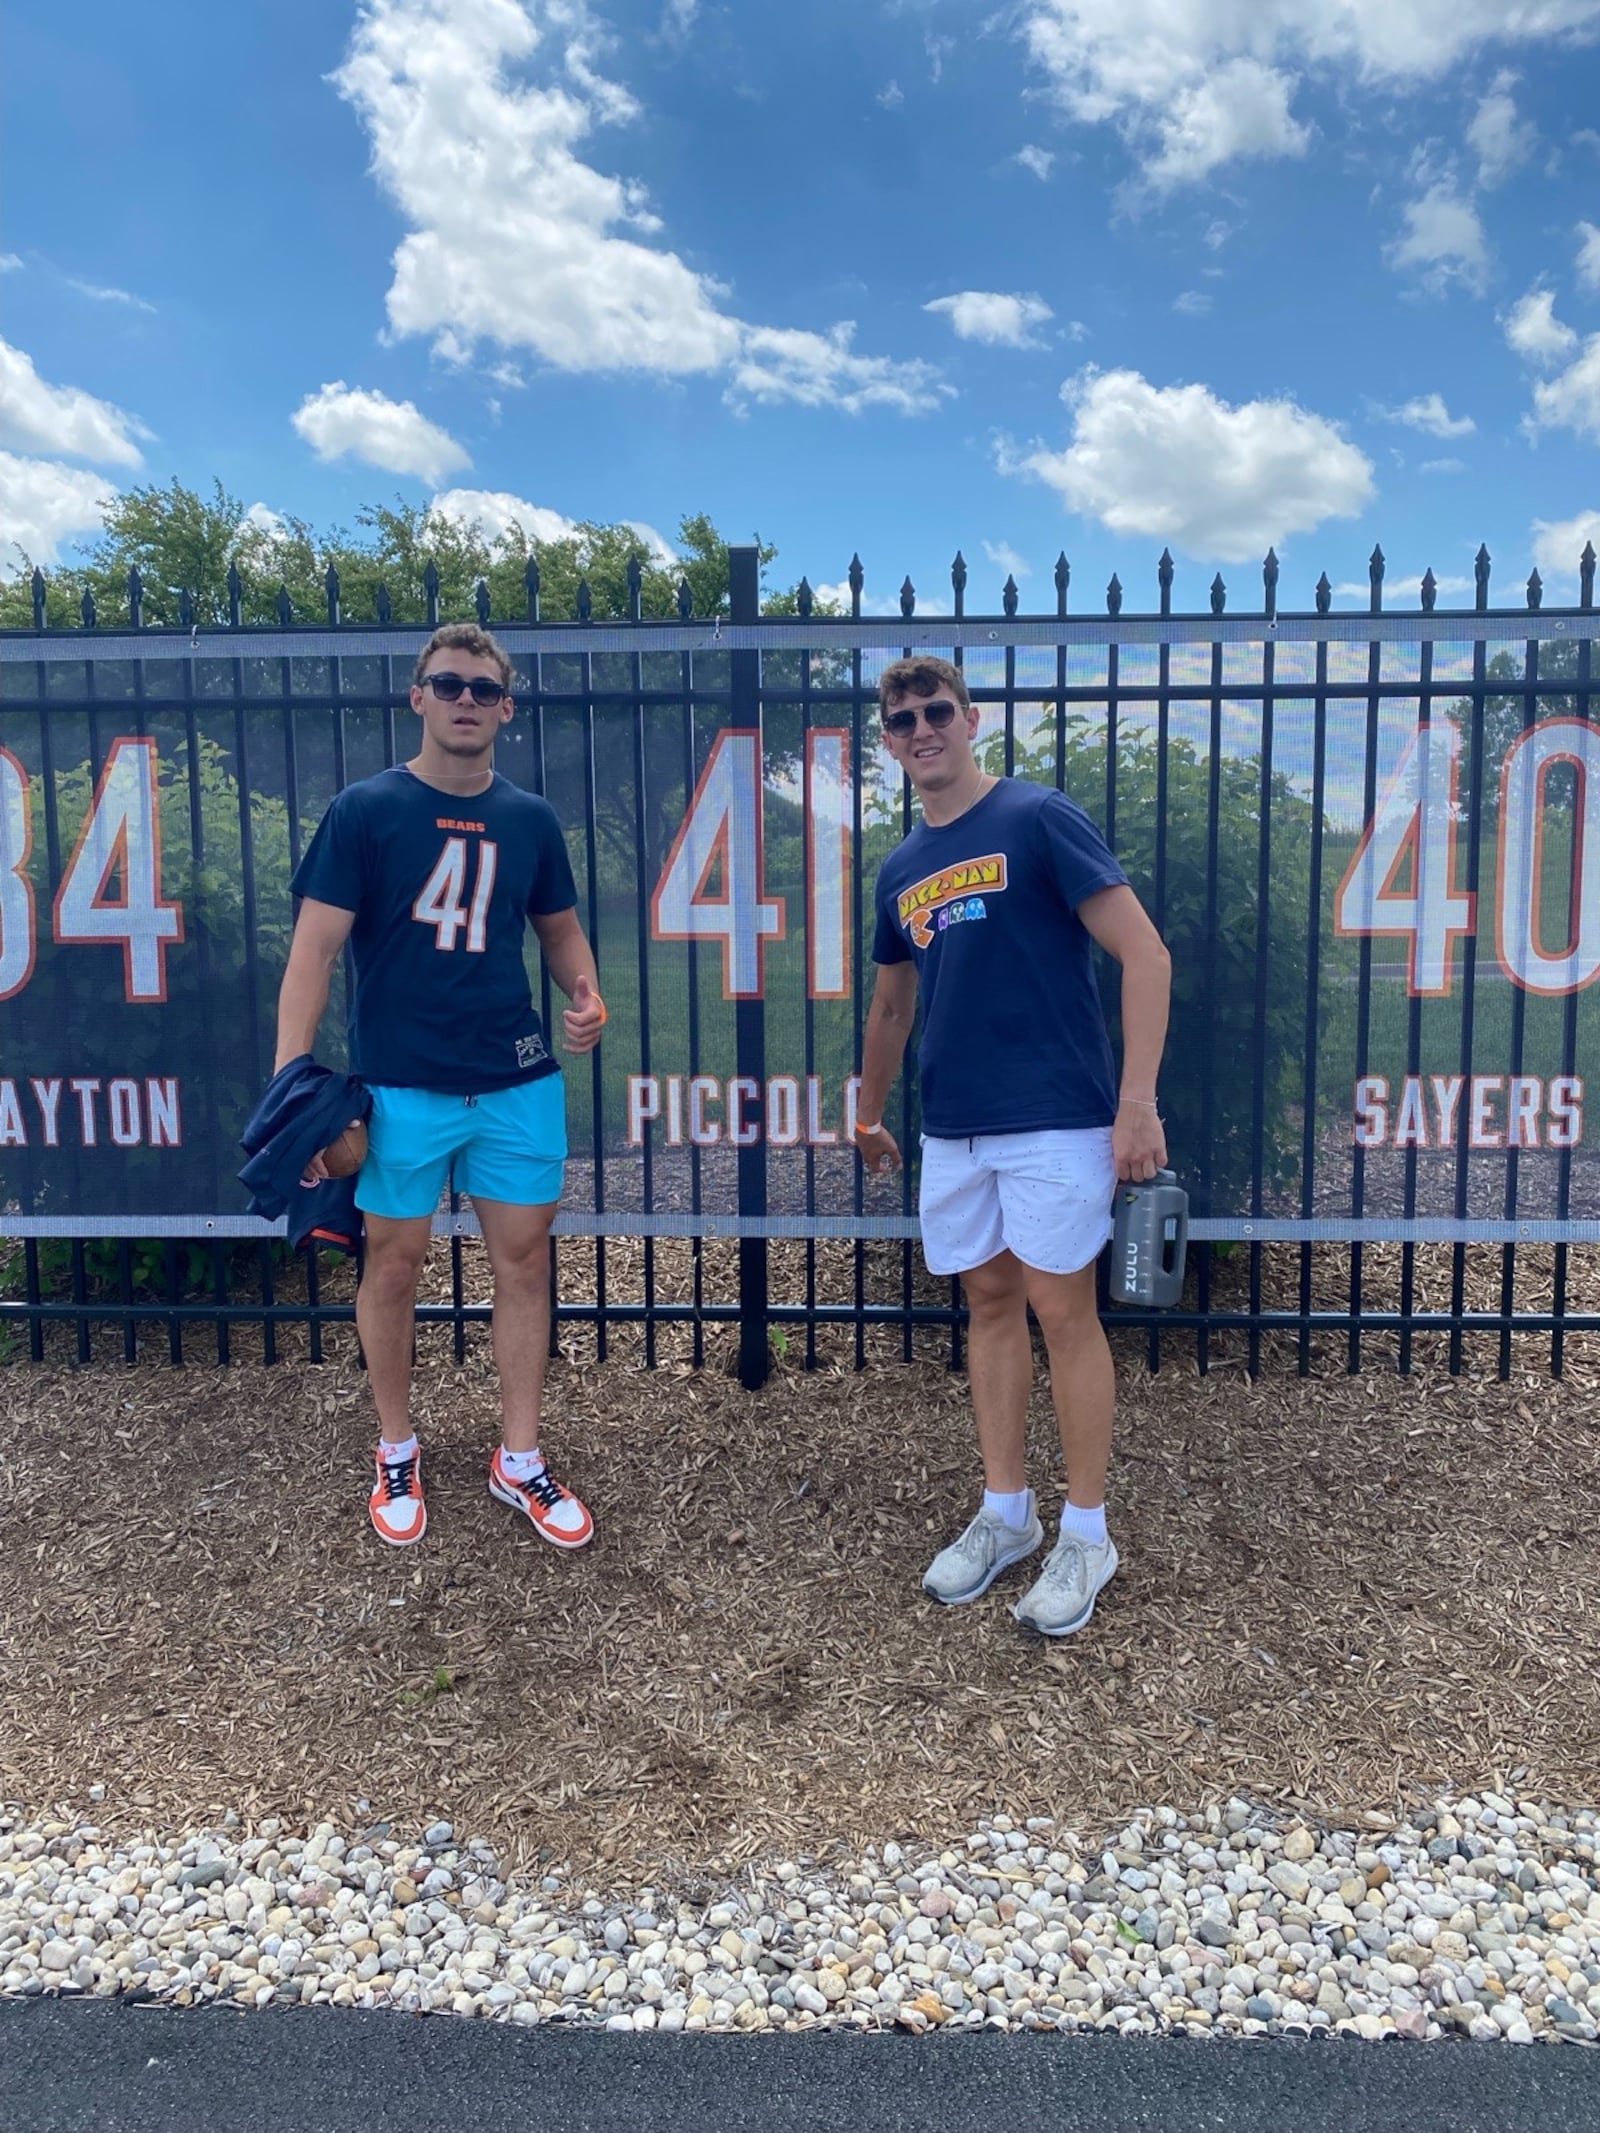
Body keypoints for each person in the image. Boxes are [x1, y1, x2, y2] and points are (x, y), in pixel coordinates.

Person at [853, 656, 1170, 1637]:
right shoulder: (900, 869)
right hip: (954, 1125)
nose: (921, 730)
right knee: (988, 1305)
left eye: (935, 711)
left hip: (1057, 1116)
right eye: (902, 720)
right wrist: (866, 1109)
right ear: (888, 741)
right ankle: (1007, 1517)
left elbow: (1144, 953)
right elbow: (894, 999)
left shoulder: (1036, 818)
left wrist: (1136, 1103)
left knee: (1060, 1311)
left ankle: (1086, 1533)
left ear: (971, 717)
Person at [274, 622, 606, 1550]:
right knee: (393, 1261)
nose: (467, 700)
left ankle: (521, 1457)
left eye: (485, 689)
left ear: (506, 707)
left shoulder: (531, 818)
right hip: (402, 1084)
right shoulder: (365, 810)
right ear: (416, 696)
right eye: (449, 683)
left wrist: (585, 998)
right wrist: (289, 1079)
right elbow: (313, 952)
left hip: (513, 1076)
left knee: (525, 1263)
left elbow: (561, 933)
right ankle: (394, 1445)